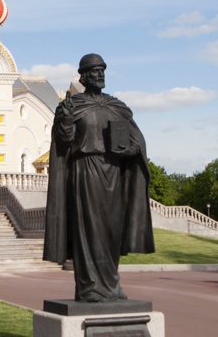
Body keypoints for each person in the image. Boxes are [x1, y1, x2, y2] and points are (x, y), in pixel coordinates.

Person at [44, 53, 154, 302]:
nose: (100, 74)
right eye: (94, 70)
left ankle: (112, 286)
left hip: (113, 173)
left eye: (103, 70)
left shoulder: (117, 107)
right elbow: (63, 141)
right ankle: (90, 287)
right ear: (83, 76)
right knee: (89, 230)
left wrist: (131, 150)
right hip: (85, 171)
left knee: (112, 231)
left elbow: (137, 141)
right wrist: (66, 119)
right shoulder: (73, 105)